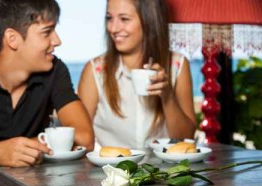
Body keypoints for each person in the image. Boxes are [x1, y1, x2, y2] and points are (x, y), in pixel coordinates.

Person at [0, 0, 94, 186]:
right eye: (47, 32)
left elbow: (85, 138)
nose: (57, 40)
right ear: (12, 39)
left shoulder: (54, 71)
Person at [78, 0, 196, 150]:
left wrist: (167, 97)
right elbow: (81, 140)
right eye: (109, 18)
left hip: (163, 172)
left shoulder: (177, 65)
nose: (113, 28)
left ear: (149, 21)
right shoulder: (95, 70)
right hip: (111, 171)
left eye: (124, 19)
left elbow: (186, 139)